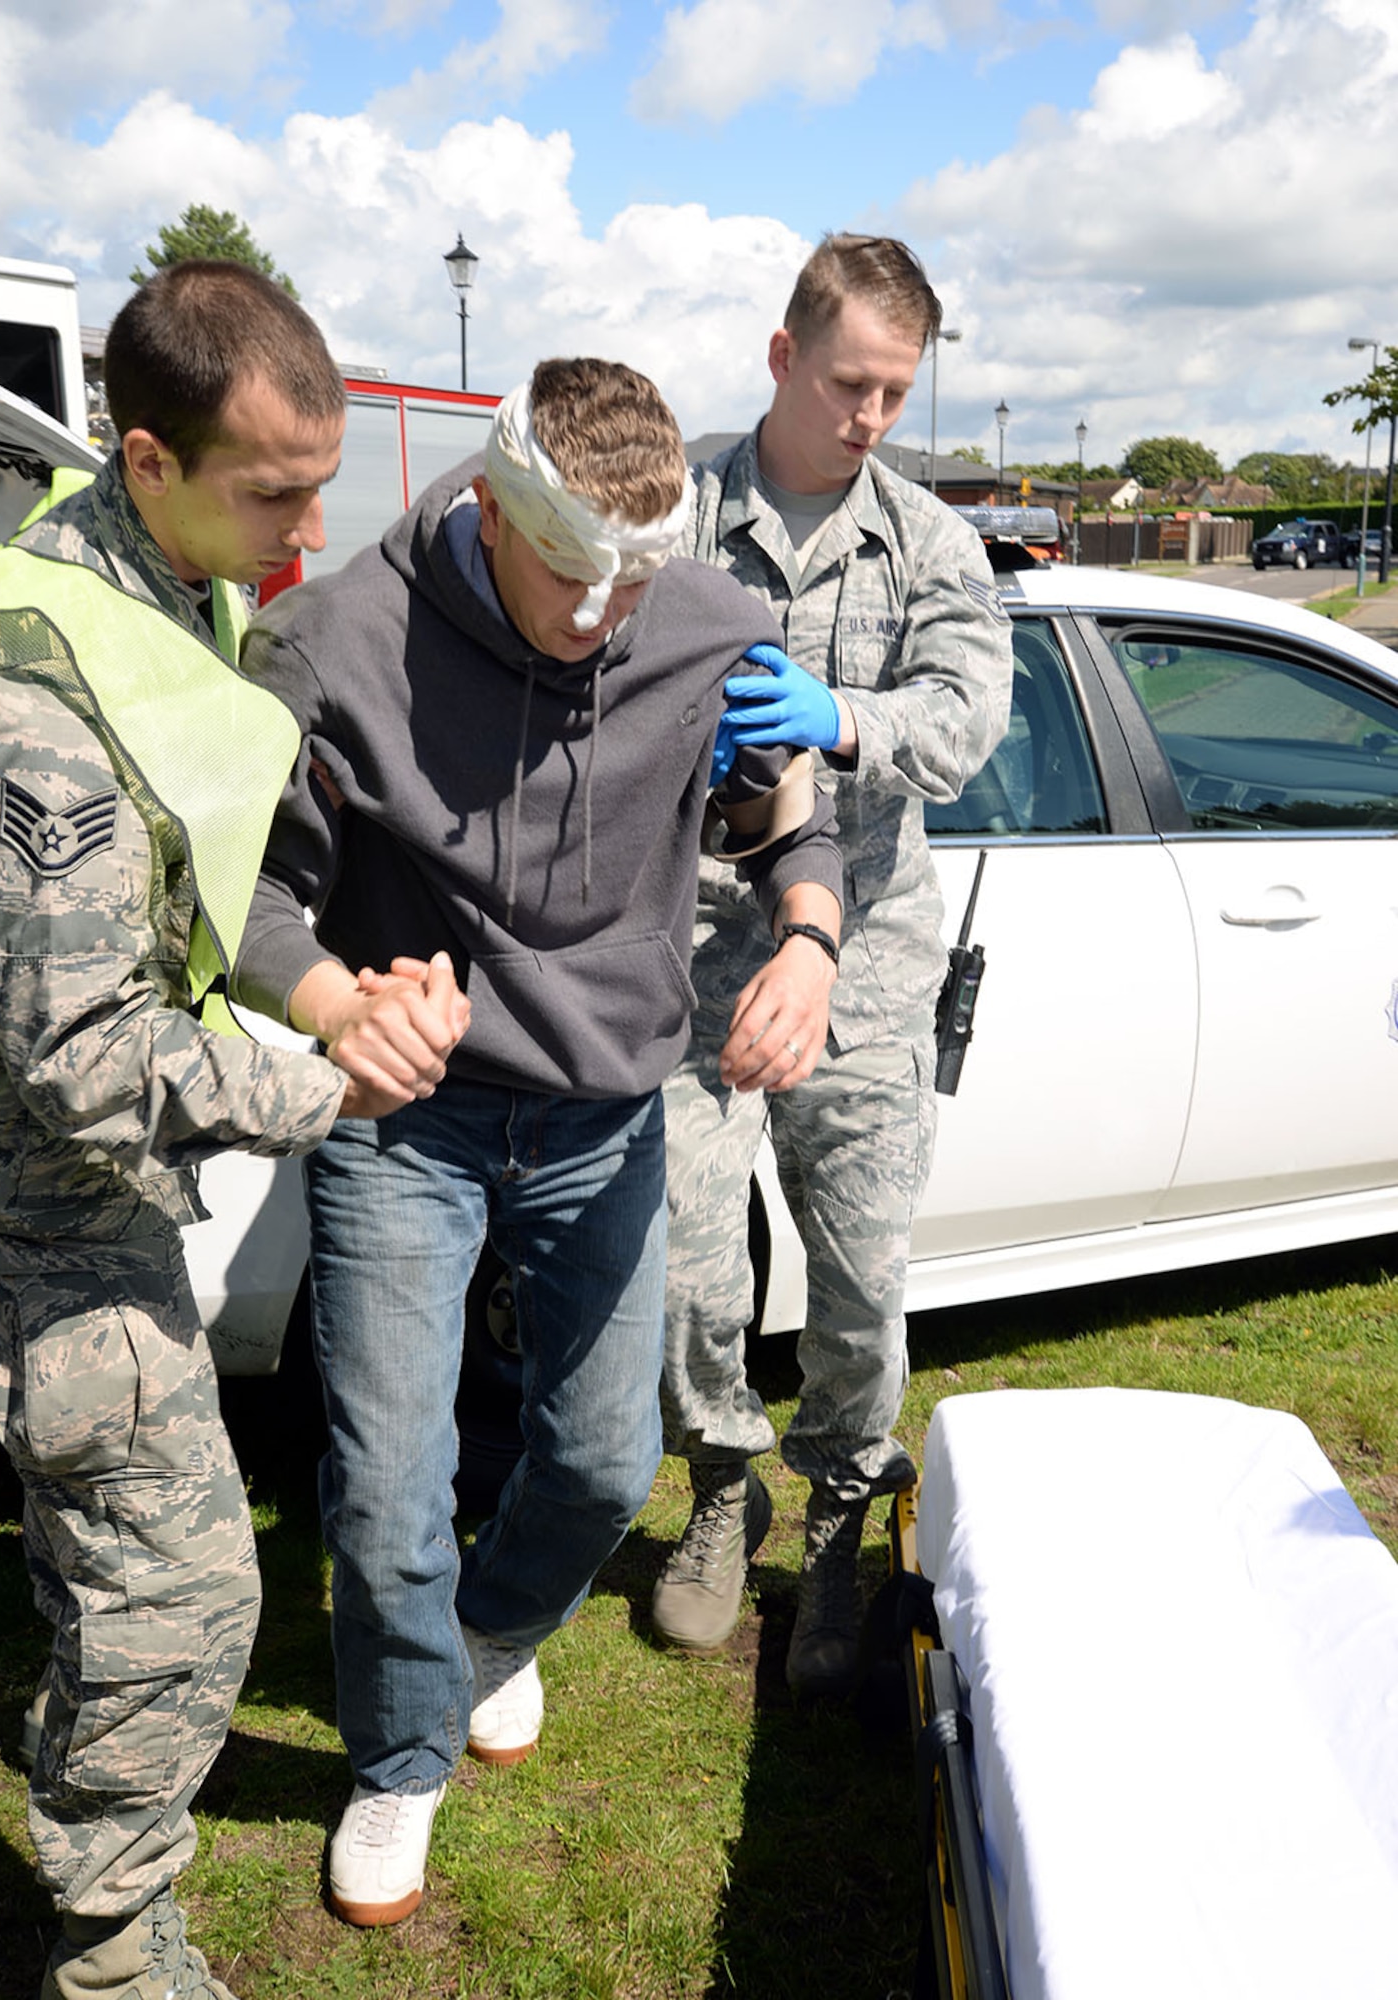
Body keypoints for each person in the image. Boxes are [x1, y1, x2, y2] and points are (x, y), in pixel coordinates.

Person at [230, 355, 844, 1930]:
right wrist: (327, 996)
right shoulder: (329, 643)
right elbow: (242, 889)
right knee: (383, 1477)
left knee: (594, 1459)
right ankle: (401, 1751)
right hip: (404, 1120)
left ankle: (488, 1637)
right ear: (492, 501)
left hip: (602, 1110)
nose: (600, 616)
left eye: (634, 574)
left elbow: (782, 810)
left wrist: (807, 933)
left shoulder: (699, 618)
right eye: (572, 569)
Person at [0, 260, 458, 2000]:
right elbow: (82, 1052)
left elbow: (196, 892)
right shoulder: (36, 701)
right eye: (275, 493)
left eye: (321, 488)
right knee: (182, 1600)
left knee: (115, 1570)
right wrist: (335, 1083)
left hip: (78, 1205)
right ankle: (112, 1957)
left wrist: (325, 995)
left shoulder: (169, 592)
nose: (307, 531)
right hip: (35, 1214)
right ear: (145, 454)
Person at [651, 234, 1014, 1696]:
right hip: (678, 952)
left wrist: (841, 716)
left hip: (858, 956)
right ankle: (721, 1485)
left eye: (896, 392)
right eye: (850, 381)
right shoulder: (668, 512)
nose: (870, 416)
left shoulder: (930, 540)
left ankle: (845, 1521)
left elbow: (965, 721)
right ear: (781, 355)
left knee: (861, 1278)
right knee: (680, 1263)